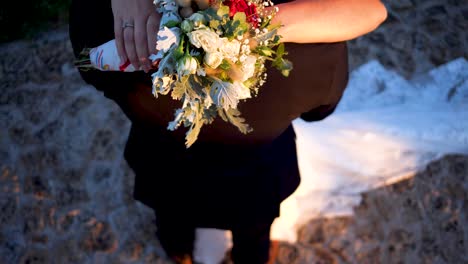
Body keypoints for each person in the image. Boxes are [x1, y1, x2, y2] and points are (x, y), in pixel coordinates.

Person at [69, 0, 387, 263]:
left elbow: (95, 73)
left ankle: (179, 251)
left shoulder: (114, 29)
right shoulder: (316, 53)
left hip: (165, 169)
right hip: (255, 181)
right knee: (254, 232)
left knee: (171, 219)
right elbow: (320, 111)